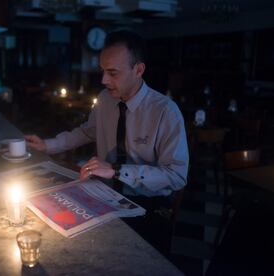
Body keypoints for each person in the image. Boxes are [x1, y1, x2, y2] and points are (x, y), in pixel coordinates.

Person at [26, 30, 189, 202]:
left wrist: (116, 170)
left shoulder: (165, 111)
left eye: (112, 73)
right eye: (103, 71)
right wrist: (47, 145)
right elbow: (87, 132)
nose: (103, 80)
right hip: (105, 192)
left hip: (147, 201)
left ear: (139, 70)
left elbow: (177, 176)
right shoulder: (105, 98)